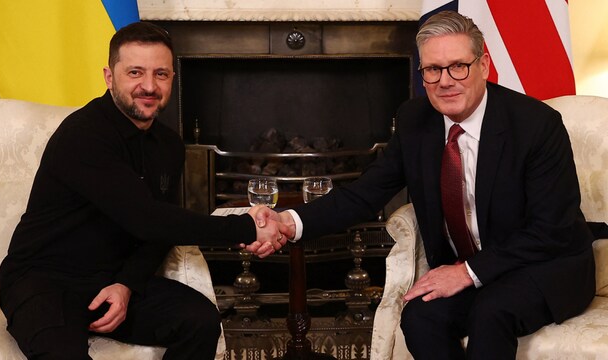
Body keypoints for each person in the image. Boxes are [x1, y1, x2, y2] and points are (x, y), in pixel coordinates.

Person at [248, 10, 596, 359]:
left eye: (458, 65)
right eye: (433, 69)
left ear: (484, 65)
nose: (445, 81)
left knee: (491, 312)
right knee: (420, 317)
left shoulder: (537, 126)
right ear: (423, 73)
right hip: (475, 269)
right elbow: (365, 194)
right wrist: (289, 221)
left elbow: (550, 231)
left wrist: (466, 272)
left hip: (545, 265)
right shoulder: (415, 121)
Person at [0, 22, 287, 360]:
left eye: (161, 74)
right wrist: (247, 226)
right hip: (43, 282)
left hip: (108, 282)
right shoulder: (83, 136)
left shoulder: (168, 145)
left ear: (172, 79)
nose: (148, 86)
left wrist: (126, 285)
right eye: (135, 72)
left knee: (200, 320)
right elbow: (147, 220)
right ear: (109, 76)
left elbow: (159, 232)